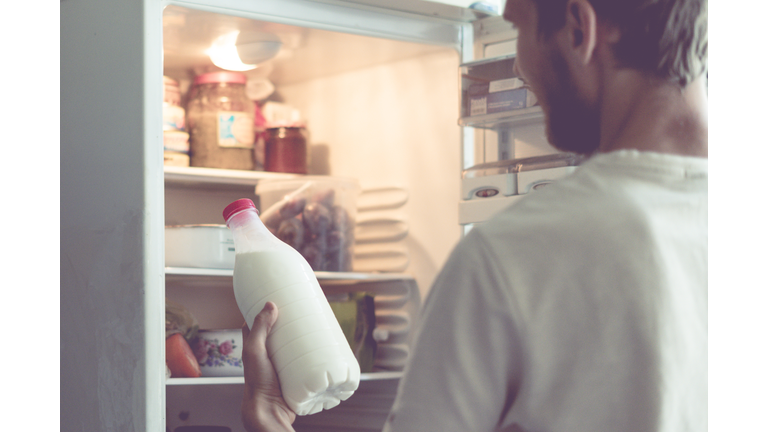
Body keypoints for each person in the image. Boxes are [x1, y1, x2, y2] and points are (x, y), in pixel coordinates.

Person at [240, 0, 708, 430]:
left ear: (579, 27)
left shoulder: (515, 253)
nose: (522, 67)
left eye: (519, 28)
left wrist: (271, 421)